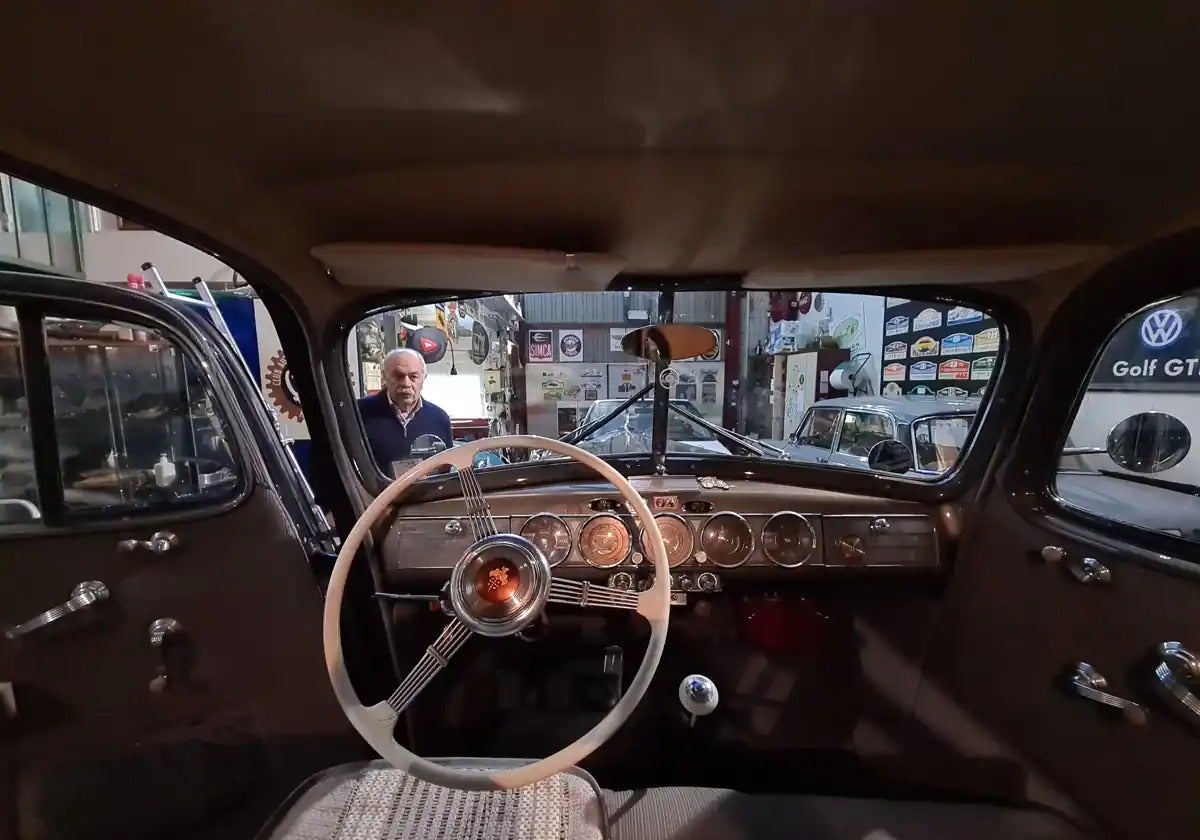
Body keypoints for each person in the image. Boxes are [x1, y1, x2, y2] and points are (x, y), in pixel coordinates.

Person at [358, 348, 454, 476]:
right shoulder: (359, 412)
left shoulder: (439, 419)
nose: (406, 383)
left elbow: (445, 469)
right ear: (384, 377)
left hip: (426, 494)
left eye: (413, 376)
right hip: (376, 495)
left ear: (423, 378)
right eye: (398, 376)